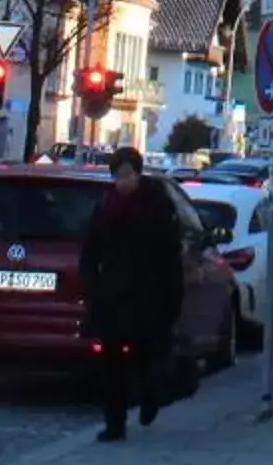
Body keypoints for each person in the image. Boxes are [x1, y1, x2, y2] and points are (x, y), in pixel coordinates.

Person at [79, 148, 186, 443]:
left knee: (146, 357)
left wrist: (172, 295)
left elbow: (170, 254)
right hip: (113, 295)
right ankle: (115, 424)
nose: (123, 181)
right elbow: (91, 249)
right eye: (118, 176)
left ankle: (149, 398)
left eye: (127, 174)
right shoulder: (106, 207)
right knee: (111, 364)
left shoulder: (157, 205)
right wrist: (90, 283)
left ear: (138, 173)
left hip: (150, 295)